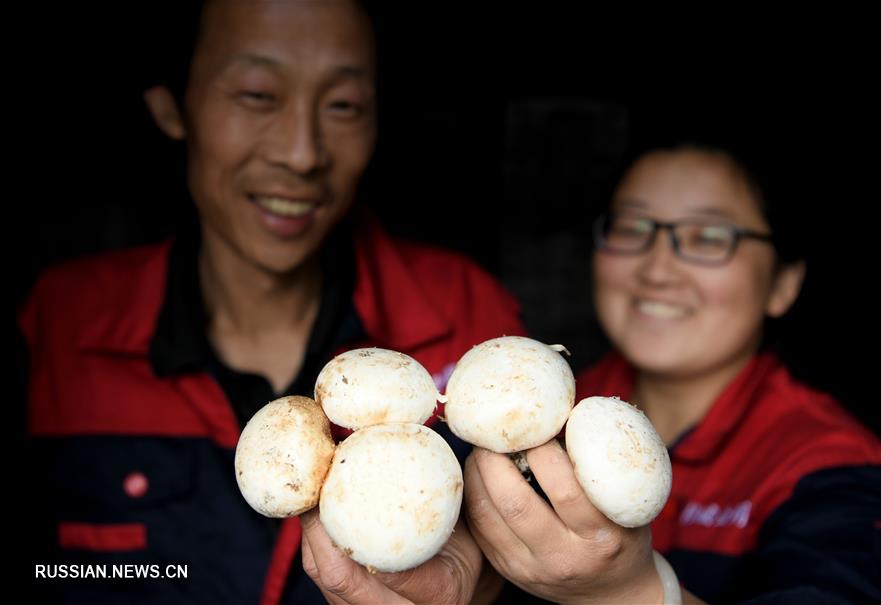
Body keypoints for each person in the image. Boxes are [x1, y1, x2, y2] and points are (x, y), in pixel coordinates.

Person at [19, 1, 523, 603]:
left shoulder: (470, 319)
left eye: (343, 105)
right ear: (170, 106)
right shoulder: (57, 322)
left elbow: (529, 555)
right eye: (258, 94)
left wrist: (487, 587)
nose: (302, 154)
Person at [464, 140, 881, 604]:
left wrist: (634, 593)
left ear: (783, 282)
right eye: (632, 228)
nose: (657, 268)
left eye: (709, 237)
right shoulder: (522, 414)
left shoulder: (838, 468)